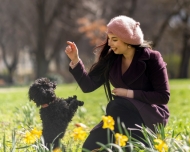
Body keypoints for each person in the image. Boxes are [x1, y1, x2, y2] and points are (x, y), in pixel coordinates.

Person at [65, 15, 170, 151]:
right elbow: (88, 85)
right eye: (109, 39)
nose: (109, 44)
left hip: (149, 115)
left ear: (129, 41)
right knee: (89, 148)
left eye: (114, 40)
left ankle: (141, 143)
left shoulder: (152, 58)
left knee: (116, 104)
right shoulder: (112, 60)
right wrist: (75, 60)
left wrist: (128, 93)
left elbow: (163, 96)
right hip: (120, 114)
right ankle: (129, 146)